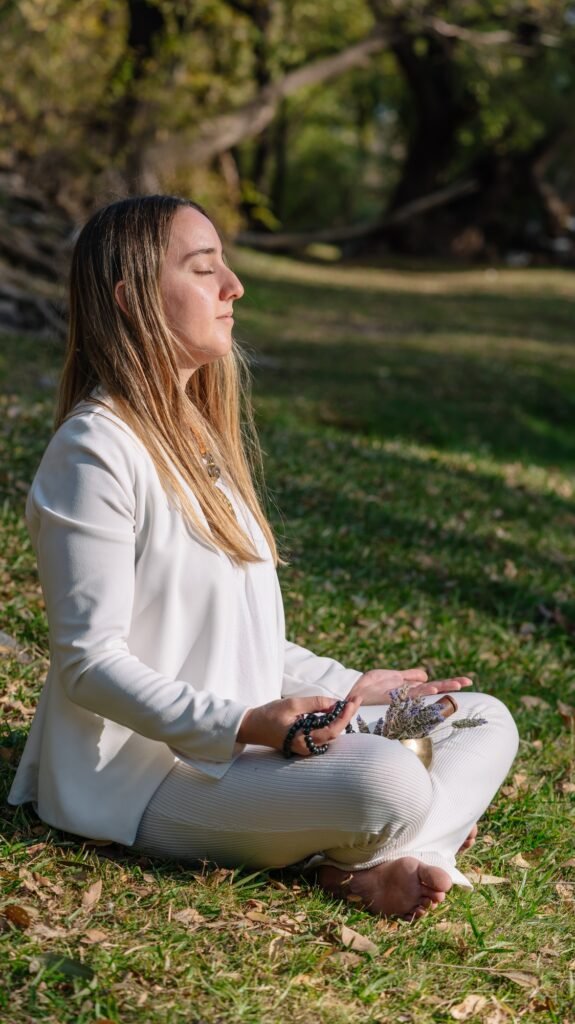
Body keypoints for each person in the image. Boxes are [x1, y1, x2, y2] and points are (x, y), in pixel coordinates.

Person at [8, 195, 519, 921]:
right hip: (149, 778)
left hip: (260, 746)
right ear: (132, 301)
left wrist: (352, 694)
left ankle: (402, 857)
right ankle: (402, 835)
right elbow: (91, 665)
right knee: (389, 783)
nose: (233, 287)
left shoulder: (199, 443)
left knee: (477, 718)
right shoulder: (94, 451)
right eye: (202, 268)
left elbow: (236, 639)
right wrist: (249, 724)